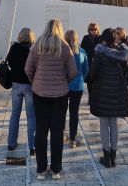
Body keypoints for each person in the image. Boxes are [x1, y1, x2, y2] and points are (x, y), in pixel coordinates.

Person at [25, 19, 77, 181]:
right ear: (60, 29)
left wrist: (35, 82)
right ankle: (55, 170)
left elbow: (28, 68)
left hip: (39, 93)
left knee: (40, 130)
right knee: (57, 132)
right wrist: (64, 82)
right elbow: (73, 71)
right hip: (60, 95)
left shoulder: (38, 45)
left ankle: (41, 170)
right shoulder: (64, 46)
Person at [87, 28, 128, 168]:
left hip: (102, 93)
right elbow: (126, 74)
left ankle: (106, 157)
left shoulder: (100, 54)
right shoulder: (122, 54)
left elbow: (91, 74)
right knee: (114, 124)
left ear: (104, 39)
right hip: (117, 92)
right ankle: (113, 157)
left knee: (104, 125)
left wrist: (86, 78)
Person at [6, 27, 36, 156]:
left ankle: (11, 143)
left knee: (15, 114)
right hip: (29, 85)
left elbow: (10, 63)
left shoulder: (14, 48)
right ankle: (32, 146)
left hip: (16, 84)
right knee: (31, 116)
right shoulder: (33, 50)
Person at [63, 29, 88, 148]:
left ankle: (62, 135)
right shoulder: (82, 51)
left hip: (64, 85)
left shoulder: (62, 51)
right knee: (74, 112)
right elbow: (86, 70)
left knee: (62, 111)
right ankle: (73, 139)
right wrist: (81, 78)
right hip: (78, 86)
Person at [80, 22, 100, 100]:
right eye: (91, 29)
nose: (93, 31)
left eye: (95, 29)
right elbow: (82, 49)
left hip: (97, 62)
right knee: (89, 81)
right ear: (89, 30)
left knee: (96, 81)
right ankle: (90, 98)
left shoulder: (100, 38)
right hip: (88, 61)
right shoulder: (85, 38)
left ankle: (95, 97)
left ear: (97, 29)